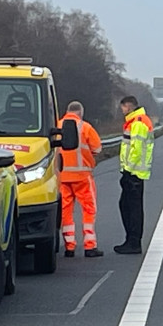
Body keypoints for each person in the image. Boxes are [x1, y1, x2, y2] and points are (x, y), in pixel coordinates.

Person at [58, 101, 103, 258]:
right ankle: (89, 246)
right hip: (83, 176)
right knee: (89, 209)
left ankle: (69, 247)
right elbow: (97, 148)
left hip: (61, 176)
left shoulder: (57, 126)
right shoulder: (85, 127)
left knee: (65, 211)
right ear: (80, 113)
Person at [115, 95, 154, 255]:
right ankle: (131, 240)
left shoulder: (137, 122)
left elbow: (136, 149)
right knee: (128, 206)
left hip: (134, 173)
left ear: (129, 106)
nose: (122, 110)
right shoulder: (137, 121)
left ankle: (133, 242)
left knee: (132, 208)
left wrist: (128, 170)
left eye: (123, 107)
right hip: (136, 172)